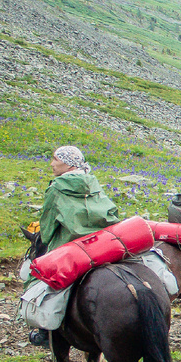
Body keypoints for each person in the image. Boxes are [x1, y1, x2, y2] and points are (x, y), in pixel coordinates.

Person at [28, 146, 121, 346]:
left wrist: (47, 241)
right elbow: (109, 213)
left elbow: (47, 227)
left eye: (55, 159)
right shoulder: (92, 182)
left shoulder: (56, 187)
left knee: (45, 280)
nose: (52, 164)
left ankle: (45, 331)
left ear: (68, 163)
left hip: (69, 246)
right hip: (100, 244)